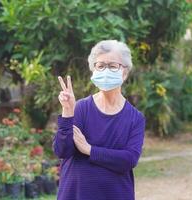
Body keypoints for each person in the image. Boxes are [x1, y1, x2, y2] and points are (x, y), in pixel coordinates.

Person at [53, 40, 146, 200]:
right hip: (76, 194)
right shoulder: (81, 108)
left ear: (125, 73)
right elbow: (62, 151)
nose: (106, 70)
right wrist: (68, 112)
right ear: (93, 70)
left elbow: (129, 159)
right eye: (100, 66)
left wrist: (90, 150)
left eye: (113, 66)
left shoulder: (135, 118)